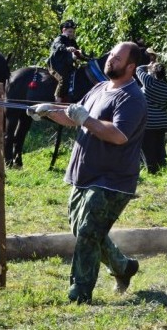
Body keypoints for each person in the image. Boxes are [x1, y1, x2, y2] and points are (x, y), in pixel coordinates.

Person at [28, 42, 148, 303]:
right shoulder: (99, 88)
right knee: (82, 229)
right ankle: (123, 267)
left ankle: (80, 292)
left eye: (117, 59)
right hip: (83, 173)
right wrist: (48, 110)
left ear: (131, 67)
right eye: (111, 55)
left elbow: (118, 135)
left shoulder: (132, 98)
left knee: (88, 231)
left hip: (112, 179)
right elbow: (74, 116)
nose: (110, 61)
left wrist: (86, 120)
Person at [135, 50, 167, 174]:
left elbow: (138, 69)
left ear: (153, 72)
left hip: (149, 121)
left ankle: (152, 170)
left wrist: (148, 65)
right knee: (159, 146)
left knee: (147, 147)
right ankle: (162, 166)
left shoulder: (149, 82)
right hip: (162, 121)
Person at [47, 20, 84, 103]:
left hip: (67, 66)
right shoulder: (59, 38)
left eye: (73, 32)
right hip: (55, 66)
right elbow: (59, 46)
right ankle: (57, 102)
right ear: (63, 30)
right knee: (62, 80)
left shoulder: (72, 41)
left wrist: (84, 56)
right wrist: (66, 48)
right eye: (70, 31)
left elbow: (78, 51)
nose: (72, 33)